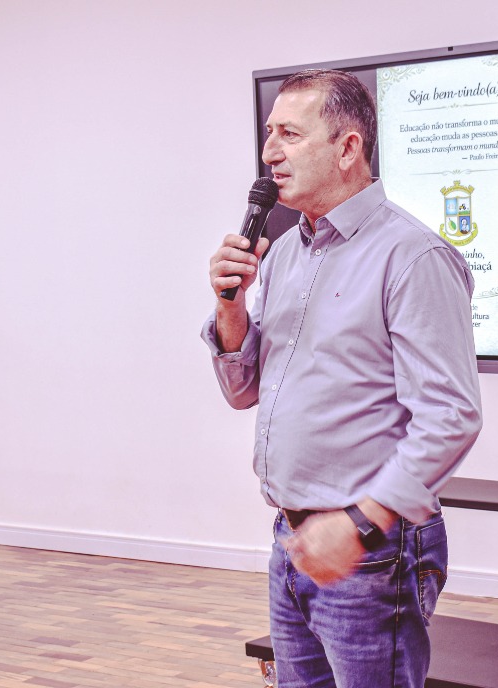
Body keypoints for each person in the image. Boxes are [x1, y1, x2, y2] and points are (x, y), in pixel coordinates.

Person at [202, 69, 482, 687]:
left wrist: (358, 524)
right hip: (294, 540)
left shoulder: (412, 257)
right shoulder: (284, 254)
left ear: (348, 147)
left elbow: (452, 415)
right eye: (269, 134)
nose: (270, 153)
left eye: (290, 135)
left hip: (371, 551)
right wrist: (231, 308)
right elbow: (243, 391)